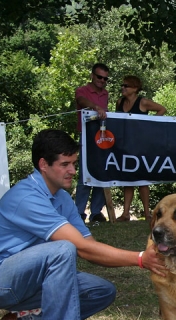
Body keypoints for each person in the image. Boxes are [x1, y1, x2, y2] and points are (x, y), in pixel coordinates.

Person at [0, 129, 167, 320]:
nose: (73, 171)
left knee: (100, 291)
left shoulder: (61, 198)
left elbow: (89, 247)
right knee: (62, 248)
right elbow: (79, 247)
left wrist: (138, 260)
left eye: (73, 163)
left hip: (28, 280)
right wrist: (140, 258)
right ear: (43, 165)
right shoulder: (25, 197)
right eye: (65, 164)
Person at [115, 75, 166, 223]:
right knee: (127, 179)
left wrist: (149, 126)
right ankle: (125, 214)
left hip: (141, 145)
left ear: (135, 89)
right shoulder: (119, 102)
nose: (123, 88)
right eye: (122, 86)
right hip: (124, 145)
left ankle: (147, 213)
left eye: (126, 86)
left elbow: (162, 109)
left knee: (142, 179)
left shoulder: (142, 102)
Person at [74, 63, 110, 223]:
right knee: (84, 175)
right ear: (92, 76)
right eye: (99, 77)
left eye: (105, 78)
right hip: (86, 137)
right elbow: (81, 101)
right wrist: (95, 107)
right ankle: (78, 213)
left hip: (102, 138)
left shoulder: (106, 94)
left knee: (101, 174)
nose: (102, 80)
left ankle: (96, 212)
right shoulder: (82, 91)